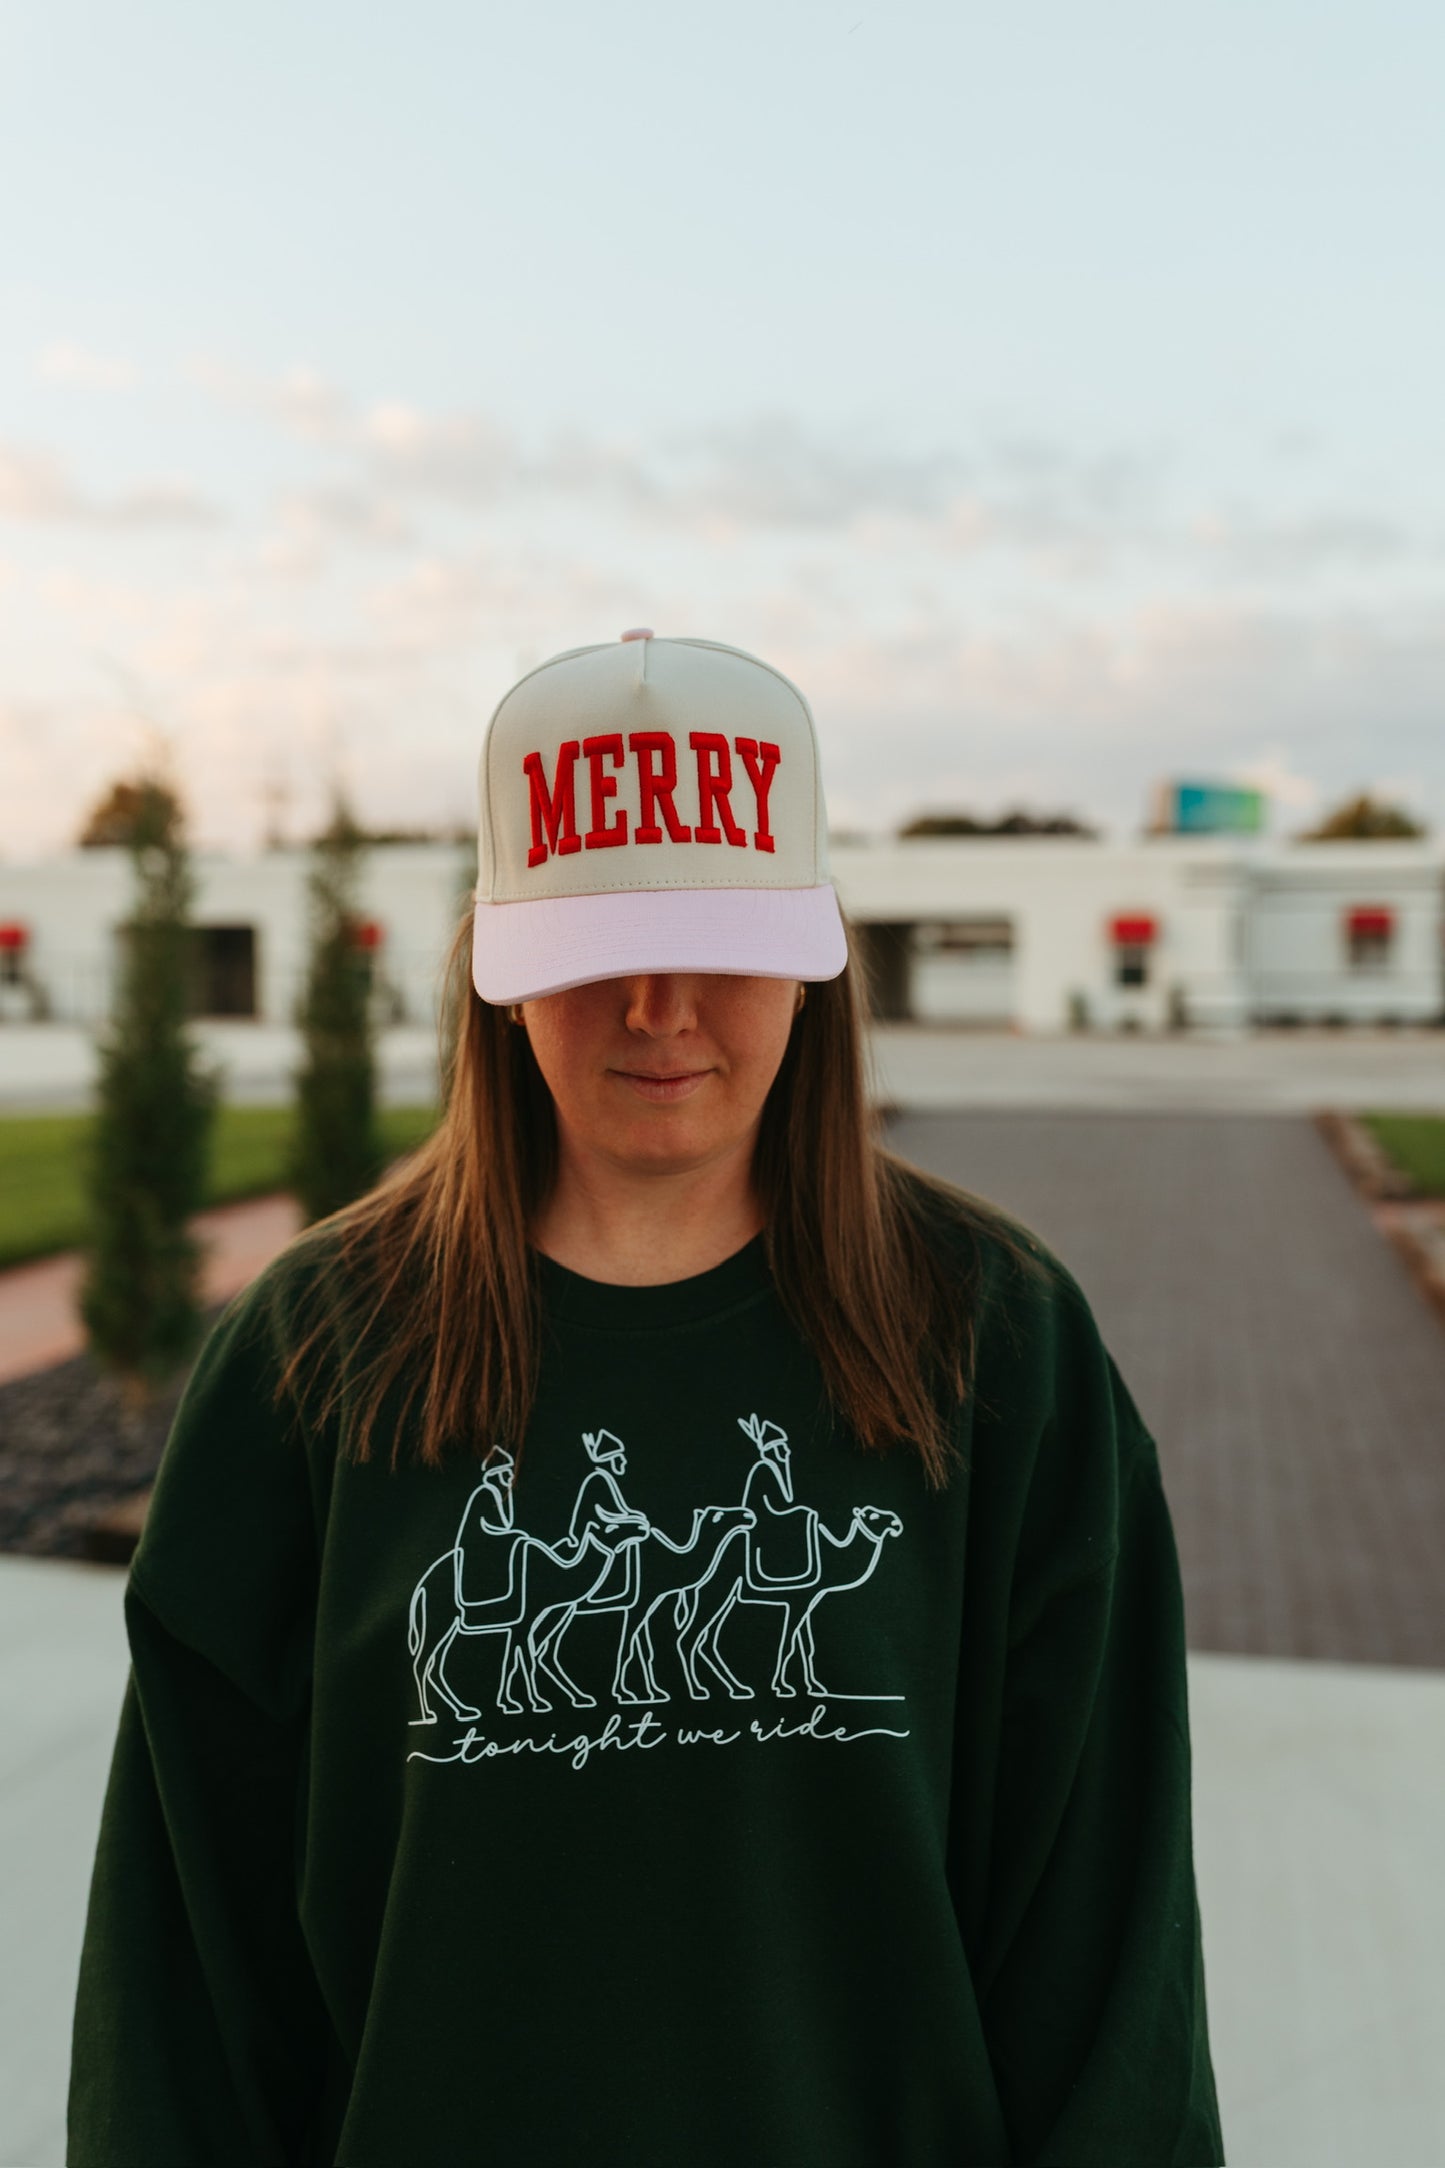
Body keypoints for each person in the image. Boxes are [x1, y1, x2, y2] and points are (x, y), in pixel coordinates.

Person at [67, 632, 1225, 2166]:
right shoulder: (314, 1358)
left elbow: (1104, 1963)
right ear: (498, 969)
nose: (659, 1004)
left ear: (815, 957)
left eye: (720, 939)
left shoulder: (995, 1345)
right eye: (594, 945)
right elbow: (186, 1985)